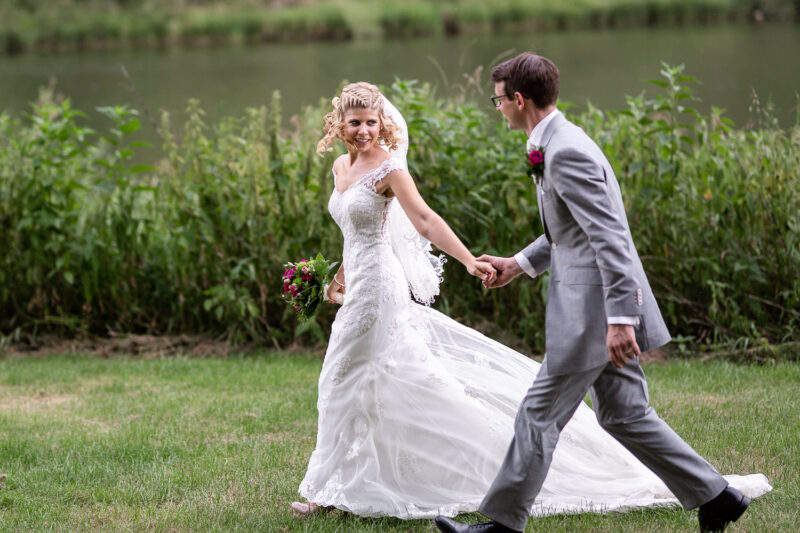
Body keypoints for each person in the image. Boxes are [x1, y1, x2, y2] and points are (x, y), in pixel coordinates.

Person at [291, 81, 771, 521]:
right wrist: (338, 277)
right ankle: (716, 495)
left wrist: (468, 261)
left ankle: (492, 516)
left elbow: (426, 220)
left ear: (382, 122)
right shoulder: (341, 168)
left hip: (384, 293)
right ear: (339, 124)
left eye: (371, 122)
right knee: (348, 382)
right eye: (354, 122)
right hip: (361, 286)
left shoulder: (393, 169)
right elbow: (359, 234)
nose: (363, 130)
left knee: (355, 380)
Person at [434, 53, 770, 533]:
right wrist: (519, 264)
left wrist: (620, 320)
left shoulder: (565, 151)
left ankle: (502, 527)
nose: (498, 108)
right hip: (596, 310)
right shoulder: (558, 142)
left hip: (593, 315)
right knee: (625, 415)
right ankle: (717, 497)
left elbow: (611, 239)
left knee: (537, 415)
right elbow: (571, 232)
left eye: (498, 100)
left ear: (519, 100)